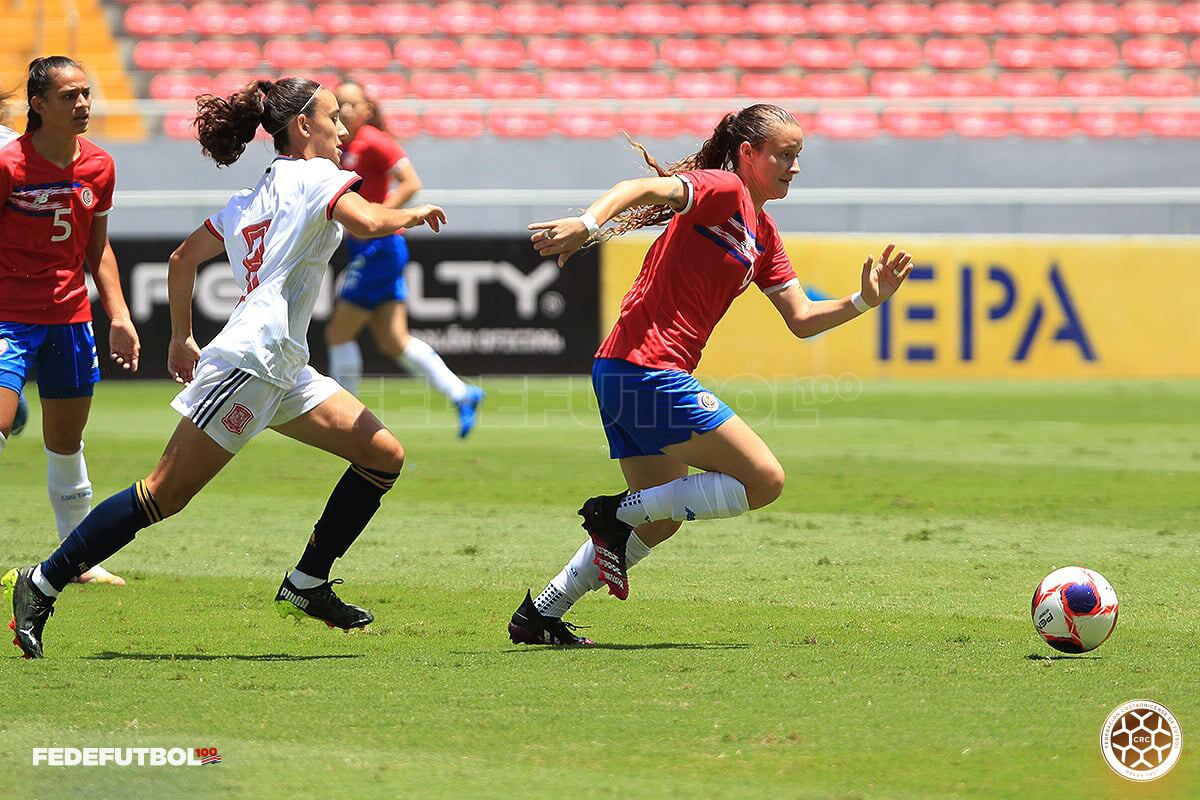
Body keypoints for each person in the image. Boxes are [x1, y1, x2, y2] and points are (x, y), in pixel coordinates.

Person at [3, 77, 448, 658]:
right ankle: (42, 581)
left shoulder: (252, 196)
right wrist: (412, 212)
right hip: (251, 362)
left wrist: (181, 336)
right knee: (163, 494)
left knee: (382, 455)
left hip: (283, 365)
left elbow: (182, 258)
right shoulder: (318, 175)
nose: (343, 130)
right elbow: (365, 221)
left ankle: (307, 581)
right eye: (333, 118)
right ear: (303, 126)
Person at [507, 104, 914, 646]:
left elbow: (801, 318)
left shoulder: (763, 233)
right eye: (784, 155)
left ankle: (540, 613)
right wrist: (587, 224)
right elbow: (639, 188)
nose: (794, 167)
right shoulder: (723, 189)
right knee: (764, 481)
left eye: (798, 156)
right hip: (647, 369)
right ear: (748, 153)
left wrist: (863, 301)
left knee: (661, 518)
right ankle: (612, 513)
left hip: (624, 371)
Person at [0, 57, 141, 587]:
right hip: (9, 318)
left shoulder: (100, 165)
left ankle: (76, 561)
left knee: (66, 440)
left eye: (86, 93)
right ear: (38, 104)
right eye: (69, 96)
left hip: (69, 317)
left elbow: (96, 248)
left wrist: (120, 315)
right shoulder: (9, 164)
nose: (82, 104)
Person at [325, 79, 483, 438]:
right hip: (373, 247)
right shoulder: (342, 146)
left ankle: (342, 418)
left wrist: (380, 215)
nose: (345, 111)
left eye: (352, 104)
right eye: (340, 104)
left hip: (379, 246)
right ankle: (462, 393)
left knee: (338, 332)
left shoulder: (375, 141)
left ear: (367, 110)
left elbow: (411, 182)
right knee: (393, 340)